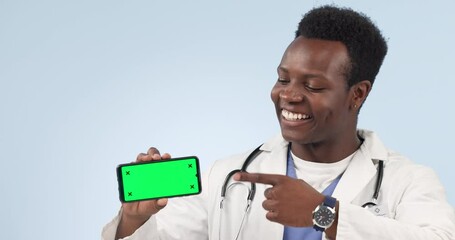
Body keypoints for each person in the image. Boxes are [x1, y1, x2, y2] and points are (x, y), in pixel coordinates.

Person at [102, 5, 455, 240]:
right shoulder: (226, 177)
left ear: (358, 94)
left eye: (313, 85)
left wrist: (325, 215)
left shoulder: (406, 180)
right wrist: (135, 220)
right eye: (284, 79)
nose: (289, 96)